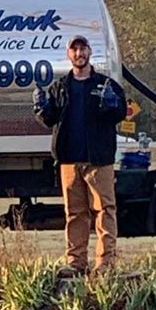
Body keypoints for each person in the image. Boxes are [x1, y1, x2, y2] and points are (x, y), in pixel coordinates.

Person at [32, 35, 128, 273]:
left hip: (99, 160)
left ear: (89, 52)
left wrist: (113, 105)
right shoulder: (59, 87)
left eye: (82, 49)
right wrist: (41, 109)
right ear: (68, 54)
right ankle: (76, 263)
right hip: (69, 160)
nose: (79, 53)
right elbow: (49, 119)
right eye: (74, 49)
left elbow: (119, 114)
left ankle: (105, 262)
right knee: (74, 214)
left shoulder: (106, 85)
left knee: (105, 211)